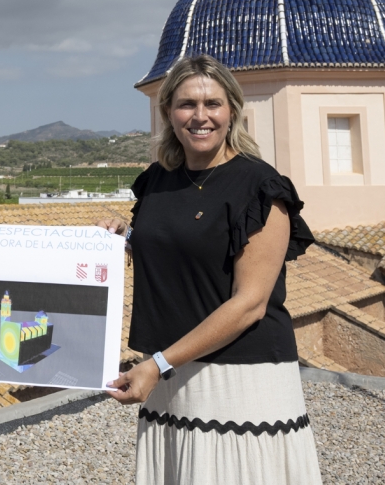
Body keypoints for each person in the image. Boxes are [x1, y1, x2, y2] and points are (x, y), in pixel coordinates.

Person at [100, 54, 321, 485]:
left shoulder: (260, 187)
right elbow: (179, 249)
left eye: (212, 104)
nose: (200, 116)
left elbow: (250, 304)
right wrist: (123, 238)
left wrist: (157, 365)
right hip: (170, 375)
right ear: (168, 113)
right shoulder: (157, 181)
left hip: (239, 381)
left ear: (232, 110)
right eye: (186, 104)